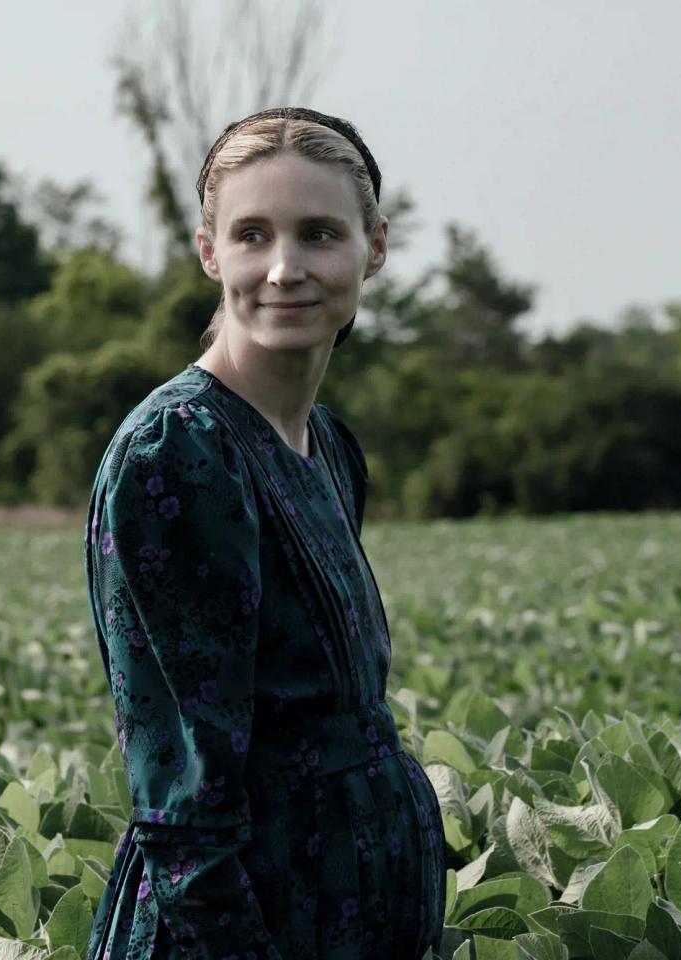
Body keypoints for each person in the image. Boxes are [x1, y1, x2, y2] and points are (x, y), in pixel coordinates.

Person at [82, 107, 446, 959]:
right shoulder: (181, 452)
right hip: (246, 930)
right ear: (210, 252)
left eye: (319, 234)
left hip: (353, 910)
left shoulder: (327, 445)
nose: (285, 270)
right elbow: (186, 798)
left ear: (375, 246)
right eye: (252, 235)